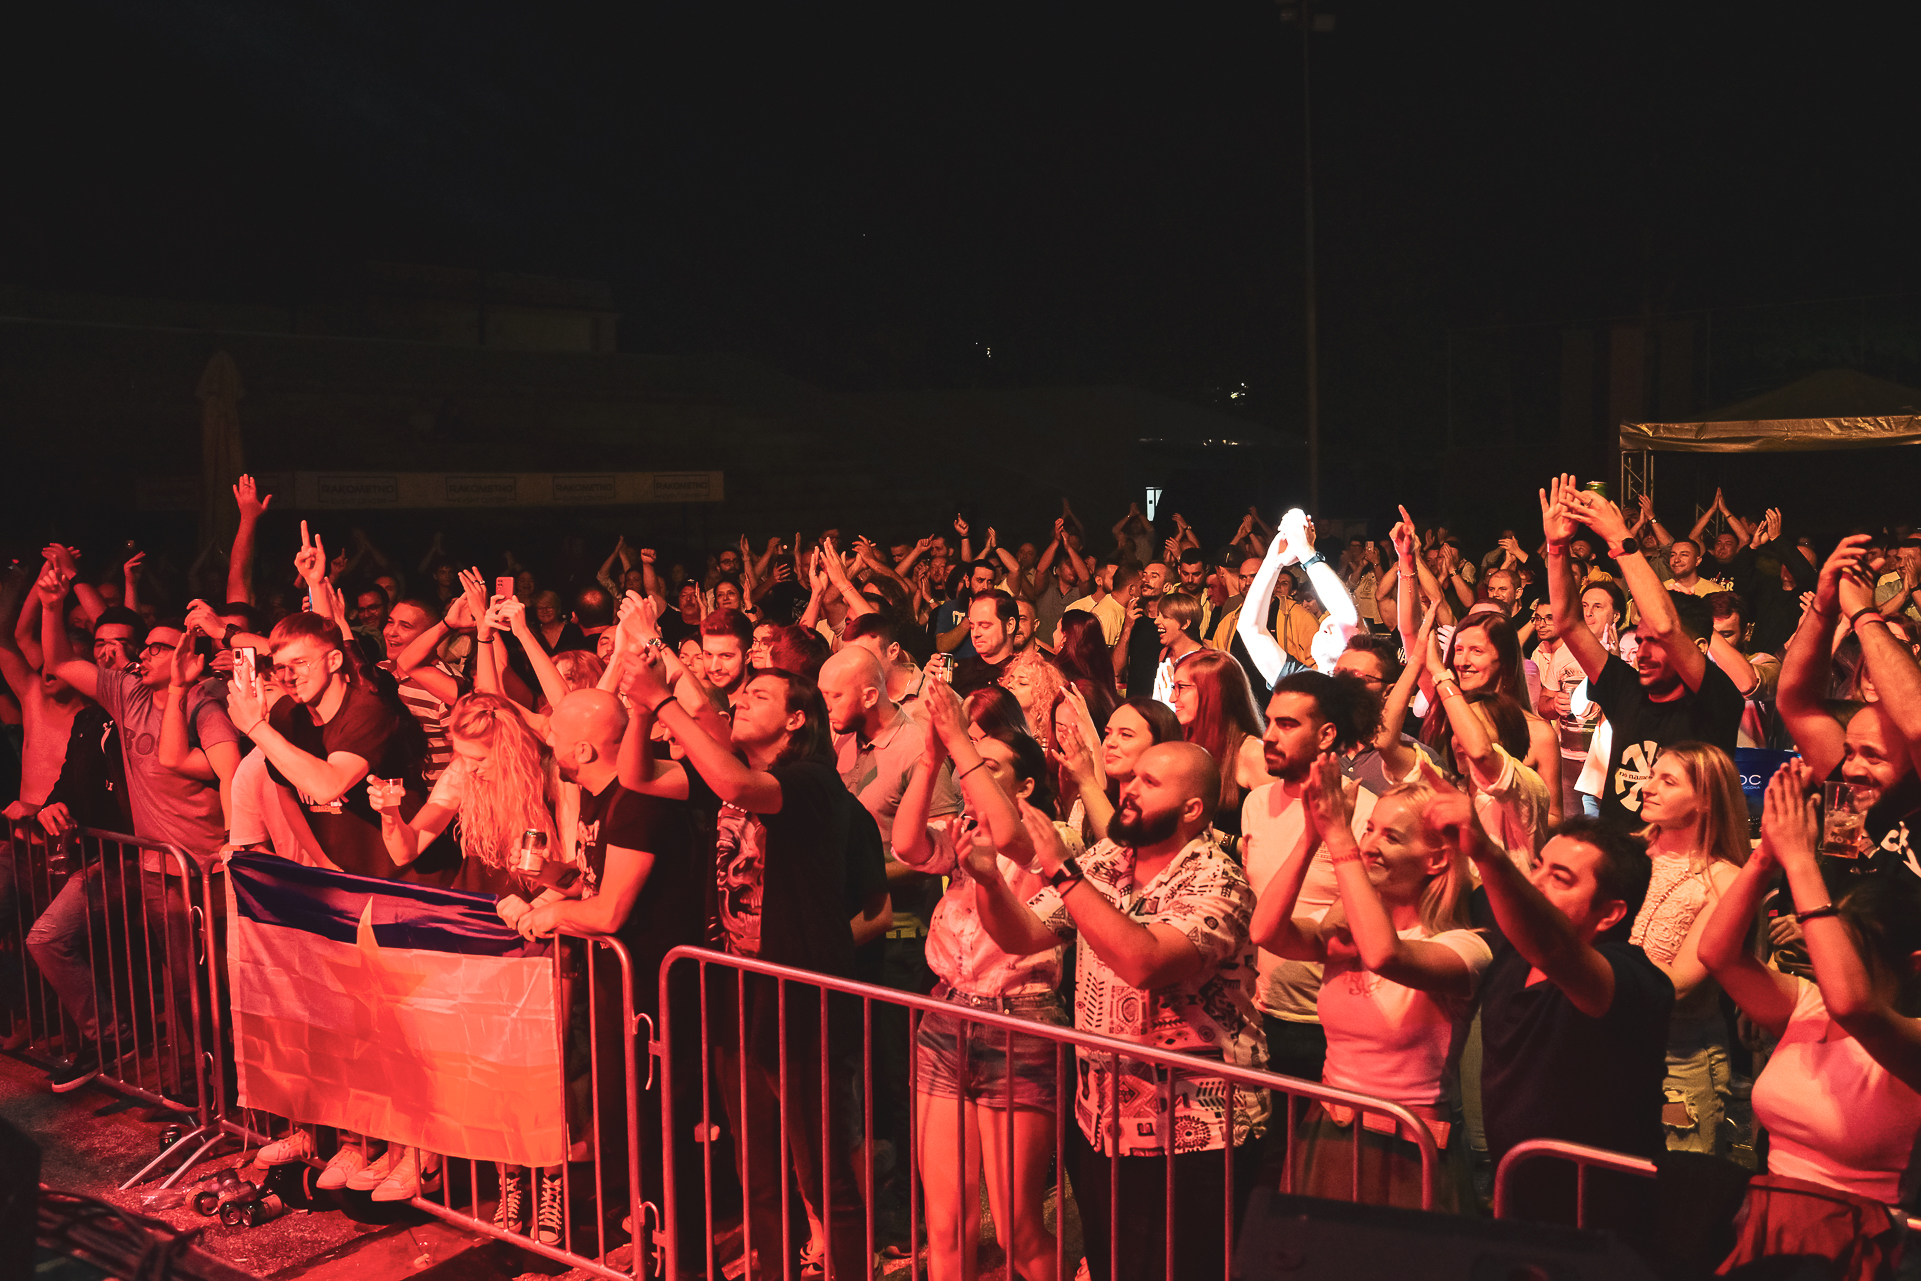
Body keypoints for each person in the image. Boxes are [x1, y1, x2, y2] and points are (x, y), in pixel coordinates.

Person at [966, 741, 1266, 1281]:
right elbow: (1023, 935)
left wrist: (1064, 873)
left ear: (1192, 809)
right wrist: (988, 882)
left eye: (1151, 783)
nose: (1129, 790)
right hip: (1104, 1122)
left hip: (1196, 1132)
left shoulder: (1218, 879)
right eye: (1133, 778)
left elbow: (1144, 962)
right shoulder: (1107, 860)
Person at [617, 656, 875, 1281]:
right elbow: (635, 775)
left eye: (758, 695)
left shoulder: (813, 782)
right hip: (737, 992)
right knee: (757, 1170)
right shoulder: (724, 774)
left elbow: (737, 787)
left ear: (797, 719)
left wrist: (666, 701)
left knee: (821, 1173)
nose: (740, 702)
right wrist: (640, 711)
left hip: (798, 1000)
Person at [1699, 763, 1921, 1269]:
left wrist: (1801, 860)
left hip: (1856, 1243)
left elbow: (1854, 1006)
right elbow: (1719, 956)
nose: (1824, 956)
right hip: (1769, 1225)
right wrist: (1765, 858)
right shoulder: (1809, 1003)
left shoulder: (1905, 1036)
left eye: (1849, 949)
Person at [892, 679, 1071, 1281]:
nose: (969, 777)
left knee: (1019, 1232)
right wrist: (931, 757)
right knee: (945, 1226)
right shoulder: (963, 831)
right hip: (947, 1016)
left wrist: (958, 739)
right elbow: (906, 844)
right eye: (968, 765)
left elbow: (1015, 839)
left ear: (1026, 785)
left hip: (1021, 1022)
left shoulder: (1054, 840)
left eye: (987, 767)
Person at [1250, 758, 1487, 1209]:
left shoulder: (1464, 948)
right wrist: (1311, 837)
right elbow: (1265, 931)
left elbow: (1385, 955)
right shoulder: (1349, 930)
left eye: (1391, 837)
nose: (1370, 845)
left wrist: (1341, 839)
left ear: (1437, 859)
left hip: (1407, 1144)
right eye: (1369, 829)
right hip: (1329, 1129)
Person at [1434, 796, 1670, 1233]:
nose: (1536, 883)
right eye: (1537, 866)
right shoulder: (1513, 950)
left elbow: (1553, 948)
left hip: (1601, 1219)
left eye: (1560, 879)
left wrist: (1486, 851)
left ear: (1610, 913)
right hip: (1519, 1200)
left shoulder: (1631, 977)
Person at [1541, 476, 1744, 828]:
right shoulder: (1627, 689)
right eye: (1640, 640)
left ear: (1697, 648)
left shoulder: (1716, 701)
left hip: (1682, 853)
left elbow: (1666, 626)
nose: (1642, 653)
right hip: (1621, 854)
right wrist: (1557, 547)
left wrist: (1619, 538)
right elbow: (1569, 623)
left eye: (1656, 644)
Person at [1242, 671, 1382, 1093]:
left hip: (1328, 1023)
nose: (1269, 736)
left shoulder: (1365, 813)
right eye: (1269, 721)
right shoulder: (1256, 803)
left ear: (1326, 735)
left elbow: (1365, 925)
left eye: (1287, 725)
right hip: (1258, 1012)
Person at [1626, 742, 1747, 1155]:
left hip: (1678, 1063)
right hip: (1608, 1044)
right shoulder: (1627, 851)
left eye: (1668, 781)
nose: (1648, 787)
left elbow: (1678, 985)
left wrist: (1595, 961)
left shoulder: (1725, 879)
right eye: (1652, 776)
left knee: (1678, 1186)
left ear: (1707, 800)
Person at [1053, 695, 1181, 844]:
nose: (1110, 743)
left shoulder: (1164, 813)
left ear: (1158, 744)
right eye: (1107, 733)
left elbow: (1120, 850)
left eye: (1126, 735)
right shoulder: (1100, 799)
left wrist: (1087, 779)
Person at [1167, 649, 1266, 842]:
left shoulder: (1254, 754)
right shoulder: (1184, 744)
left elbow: (1274, 841)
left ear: (1213, 691)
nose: (1172, 698)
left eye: (1181, 687)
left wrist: (1213, 835)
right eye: (1173, 687)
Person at [953, 590, 1018, 696]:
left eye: (985, 626)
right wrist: (928, 680)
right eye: (972, 626)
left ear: (1010, 625)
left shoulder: (1026, 674)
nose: (975, 633)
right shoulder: (957, 670)